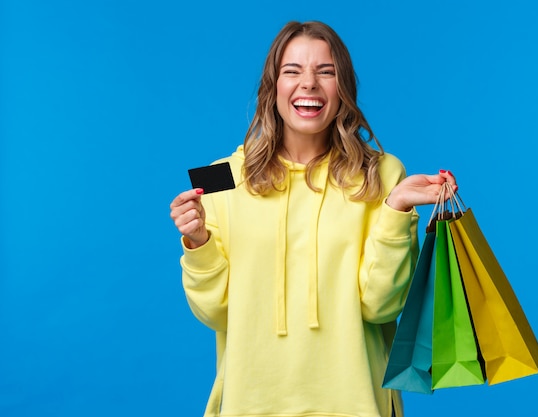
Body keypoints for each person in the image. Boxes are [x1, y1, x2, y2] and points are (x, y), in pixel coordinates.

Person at [170, 21, 457, 417]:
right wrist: (198, 242)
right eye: (292, 71)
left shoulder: (384, 174)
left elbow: (380, 307)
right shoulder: (222, 176)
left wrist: (397, 209)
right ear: (273, 87)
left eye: (326, 71)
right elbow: (215, 313)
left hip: (356, 405)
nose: (309, 84)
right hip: (250, 404)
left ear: (344, 89)